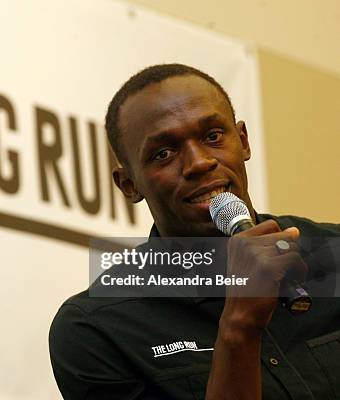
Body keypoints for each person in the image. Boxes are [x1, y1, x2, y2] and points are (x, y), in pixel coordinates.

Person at [49, 64, 340, 399]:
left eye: (213, 136)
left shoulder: (332, 251)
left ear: (243, 141)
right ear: (129, 185)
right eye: (164, 153)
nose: (200, 162)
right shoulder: (97, 329)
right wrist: (239, 327)